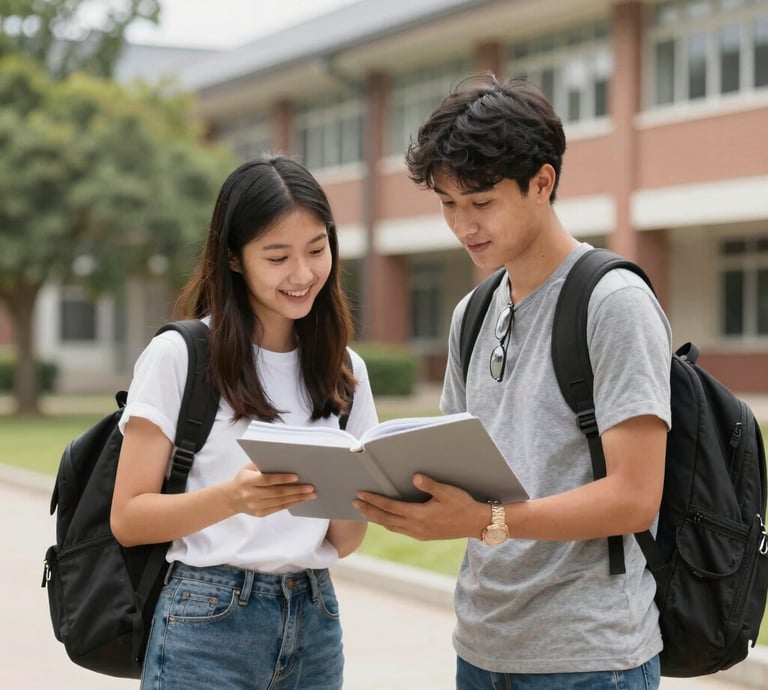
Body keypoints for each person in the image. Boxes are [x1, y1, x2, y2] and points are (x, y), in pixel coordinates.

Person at [354, 74, 672, 690]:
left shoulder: (613, 302)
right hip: (481, 646)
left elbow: (635, 496)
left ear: (542, 183)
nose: (463, 225)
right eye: (448, 204)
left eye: (480, 202)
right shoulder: (471, 313)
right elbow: (453, 464)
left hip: (589, 657)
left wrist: (485, 520)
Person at [110, 155, 378, 690]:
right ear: (233, 259)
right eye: (277, 257)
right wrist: (234, 499)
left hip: (315, 618)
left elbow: (344, 541)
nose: (303, 275)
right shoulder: (181, 356)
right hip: (206, 621)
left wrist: (373, 492)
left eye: (317, 250)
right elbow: (128, 517)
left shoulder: (344, 370)